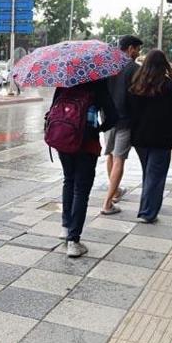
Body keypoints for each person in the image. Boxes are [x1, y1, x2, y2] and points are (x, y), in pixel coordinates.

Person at [51, 80, 117, 257]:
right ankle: (73, 240)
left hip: (63, 140)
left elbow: (53, 110)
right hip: (87, 144)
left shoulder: (64, 81)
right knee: (81, 189)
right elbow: (112, 117)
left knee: (69, 180)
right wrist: (97, 127)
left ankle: (65, 228)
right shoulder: (98, 83)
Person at [128, 50, 172, 224]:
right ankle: (147, 212)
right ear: (164, 64)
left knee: (148, 172)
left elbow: (131, 112)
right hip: (162, 138)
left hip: (140, 137)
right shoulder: (167, 85)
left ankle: (146, 206)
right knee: (156, 175)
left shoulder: (137, 83)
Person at [101, 35, 143, 215]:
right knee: (119, 159)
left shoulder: (108, 67)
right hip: (125, 120)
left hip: (108, 118)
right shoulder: (135, 68)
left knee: (110, 155)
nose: (139, 53)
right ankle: (108, 203)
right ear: (131, 48)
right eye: (138, 49)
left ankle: (116, 191)